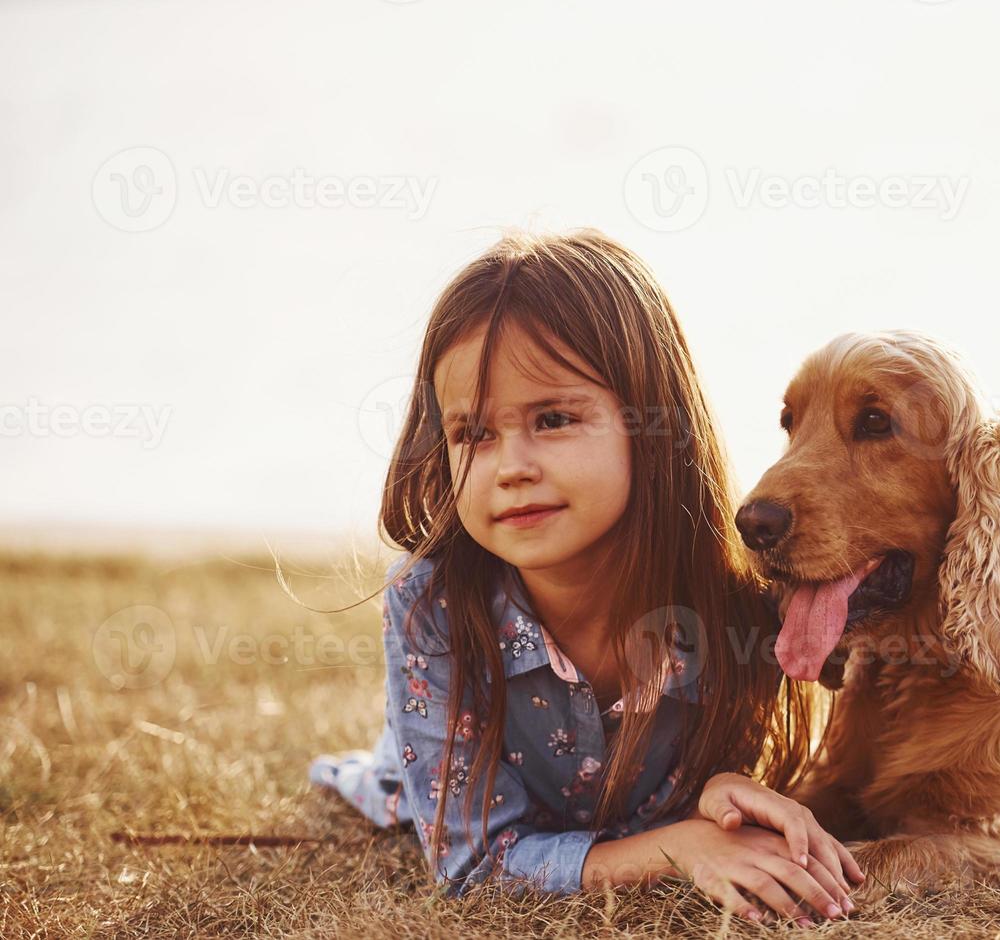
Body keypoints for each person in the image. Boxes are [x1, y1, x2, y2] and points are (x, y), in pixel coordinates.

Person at [308, 230, 862, 925]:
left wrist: (720, 793)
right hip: (408, 778)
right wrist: (677, 848)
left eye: (554, 418)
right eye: (474, 434)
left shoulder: (739, 606)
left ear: (652, 425)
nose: (512, 465)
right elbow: (471, 864)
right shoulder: (434, 604)